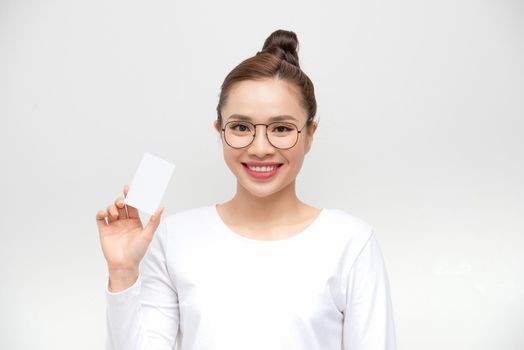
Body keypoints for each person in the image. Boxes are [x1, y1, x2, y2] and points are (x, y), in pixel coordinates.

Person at [95, 29, 397, 350]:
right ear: (220, 131)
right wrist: (124, 272)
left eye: (281, 128)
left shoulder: (351, 243)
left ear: (310, 135)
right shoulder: (173, 239)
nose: (260, 148)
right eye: (241, 127)